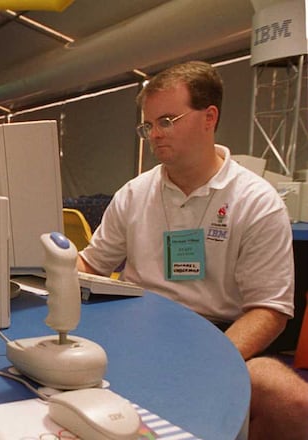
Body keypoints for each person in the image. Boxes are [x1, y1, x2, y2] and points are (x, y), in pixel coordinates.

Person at [77, 61, 308, 439]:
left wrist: (206, 359)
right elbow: (91, 265)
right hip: (136, 331)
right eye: (148, 125)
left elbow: (269, 309)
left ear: (209, 117)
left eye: (167, 120)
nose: (154, 134)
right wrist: (51, 263)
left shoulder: (255, 201)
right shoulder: (134, 194)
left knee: (294, 401)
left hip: (219, 336)